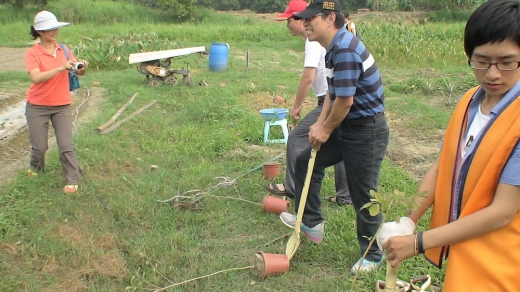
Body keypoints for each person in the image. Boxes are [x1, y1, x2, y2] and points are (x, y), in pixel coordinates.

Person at [380, 1, 520, 290]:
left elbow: (503, 211)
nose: (493, 74)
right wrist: (410, 218)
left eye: (507, 62)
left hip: (503, 263)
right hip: (466, 251)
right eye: (481, 61)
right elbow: (445, 164)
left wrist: (418, 242)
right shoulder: (470, 101)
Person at [278, 0, 389, 274]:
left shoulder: (346, 49)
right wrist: (321, 125)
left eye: (309, 19)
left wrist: (325, 128)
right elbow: (331, 93)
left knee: (362, 193)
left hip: (366, 131)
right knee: (307, 161)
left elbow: (346, 101)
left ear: (329, 18)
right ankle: (311, 220)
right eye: (301, 19)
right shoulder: (331, 49)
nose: (304, 24)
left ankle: (373, 254)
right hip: (347, 126)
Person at [266, 0, 352, 206]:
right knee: (339, 144)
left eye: (290, 19)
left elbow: (308, 77)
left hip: (331, 101)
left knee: (297, 138)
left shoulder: (314, 41)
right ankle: (345, 196)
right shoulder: (327, 41)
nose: (288, 25)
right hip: (331, 98)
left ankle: (293, 188)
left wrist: (296, 106)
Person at [25, 10, 89, 193]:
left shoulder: (64, 49)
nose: (54, 31)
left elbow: (78, 72)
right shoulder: (32, 53)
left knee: (65, 145)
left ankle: (72, 179)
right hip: (37, 106)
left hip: (61, 105)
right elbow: (36, 78)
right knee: (39, 146)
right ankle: (36, 169)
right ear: (39, 31)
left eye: (56, 28)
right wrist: (61, 67)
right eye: (50, 29)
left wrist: (81, 68)